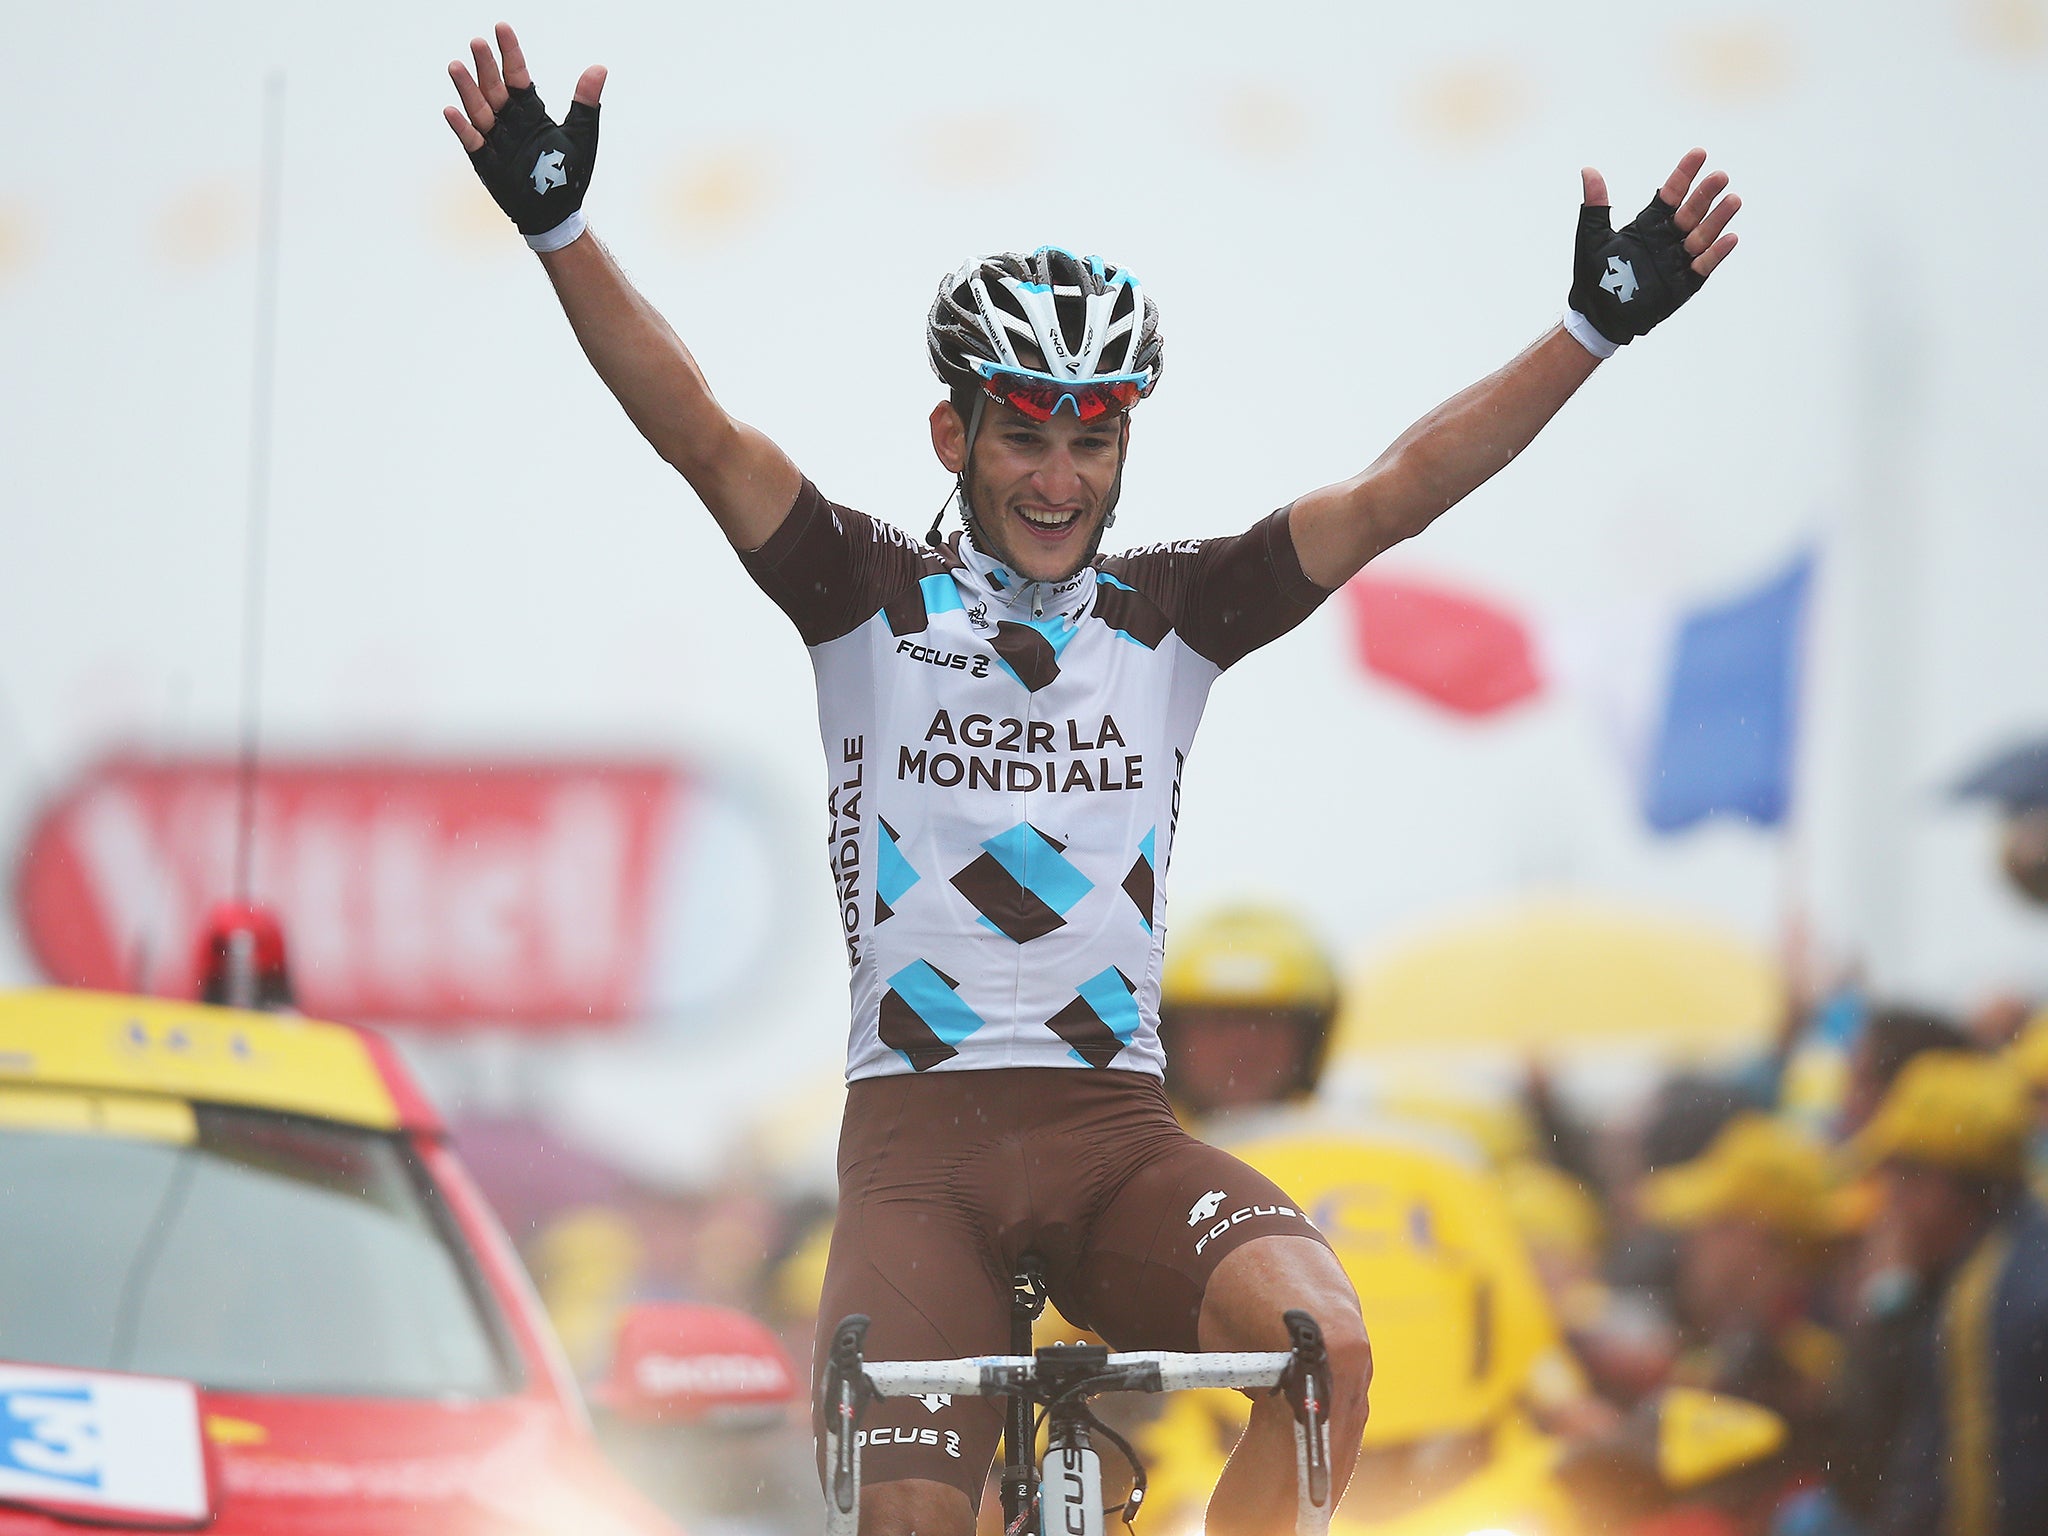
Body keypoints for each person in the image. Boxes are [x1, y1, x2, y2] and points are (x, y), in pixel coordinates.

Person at [441, 24, 1743, 1534]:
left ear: (1127, 443)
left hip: (1117, 1135)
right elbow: (699, 432)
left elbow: (1399, 488)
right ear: (958, 431)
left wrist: (1583, 334)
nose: (1058, 476)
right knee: (915, 1524)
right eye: (1024, 434)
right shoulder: (866, 596)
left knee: (1322, 1351)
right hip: (919, 1157)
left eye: (1093, 436)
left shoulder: (1174, 616)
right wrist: (561, 232)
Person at [1843, 1052, 2048, 1536]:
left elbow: (1980, 1499)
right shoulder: (2016, 1251)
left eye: (1895, 1175)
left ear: (1938, 1183)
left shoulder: (1990, 1299)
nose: (1886, 1201)